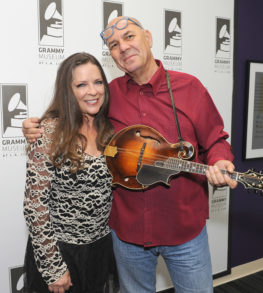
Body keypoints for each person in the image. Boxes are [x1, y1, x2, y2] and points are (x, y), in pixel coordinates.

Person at [23, 17, 238, 293]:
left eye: (129, 37)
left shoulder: (190, 88)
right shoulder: (108, 96)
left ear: (148, 38)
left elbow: (216, 139)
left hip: (184, 232)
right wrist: (34, 128)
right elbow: (68, 116)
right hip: (127, 235)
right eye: (114, 44)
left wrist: (220, 159)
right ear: (111, 55)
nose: (123, 47)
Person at [23, 52, 119, 293]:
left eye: (98, 82)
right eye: (81, 85)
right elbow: (35, 206)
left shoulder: (110, 129)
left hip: (99, 250)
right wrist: (54, 267)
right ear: (68, 90)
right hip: (61, 252)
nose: (93, 91)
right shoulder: (49, 132)